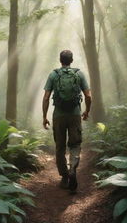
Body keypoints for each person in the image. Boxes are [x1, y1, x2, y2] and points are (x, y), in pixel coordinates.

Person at [42, 50, 91, 192]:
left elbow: (46, 98)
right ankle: (72, 170)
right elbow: (88, 96)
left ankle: (64, 177)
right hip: (75, 115)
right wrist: (87, 111)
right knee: (75, 145)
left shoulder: (53, 75)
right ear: (72, 60)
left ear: (60, 60)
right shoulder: (79, 74)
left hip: (58, 116)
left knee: (60, 147)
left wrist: (44, 116)